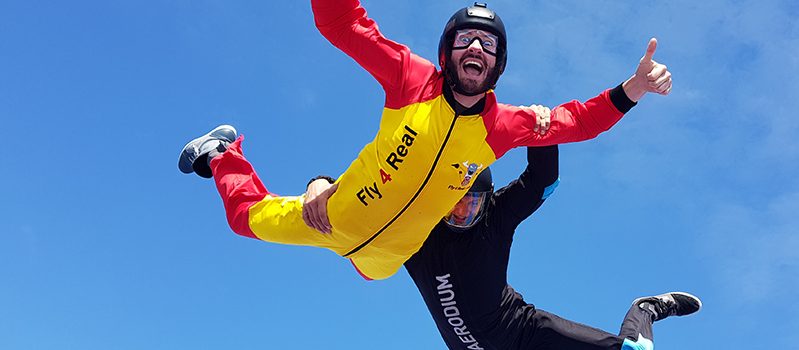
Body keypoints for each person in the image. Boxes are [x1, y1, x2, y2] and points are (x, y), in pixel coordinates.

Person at [178, 1, 673, 281]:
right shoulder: (410, 80)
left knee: (373, 274)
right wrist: (319, 185)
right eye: (465, 39)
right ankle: (222, 153)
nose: (476, 46)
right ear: (447, 52)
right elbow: (342, 24)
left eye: (489, 44)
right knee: (243, 221)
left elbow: (577, 121)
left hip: (383, 261)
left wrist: (633, 89)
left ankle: (322, 188)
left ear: (498, 65)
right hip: (329, 220)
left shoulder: (502, 127)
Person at [305, 145, 701, 350]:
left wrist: (539, 126)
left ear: (486, 200)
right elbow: (354, 195)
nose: (462, 213)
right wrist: (319, 184)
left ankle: (646, 308)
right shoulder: (418, 228)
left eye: (471, 203)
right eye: (454, 203)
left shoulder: (496, 216)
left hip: (527, 334)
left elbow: (543, 178)